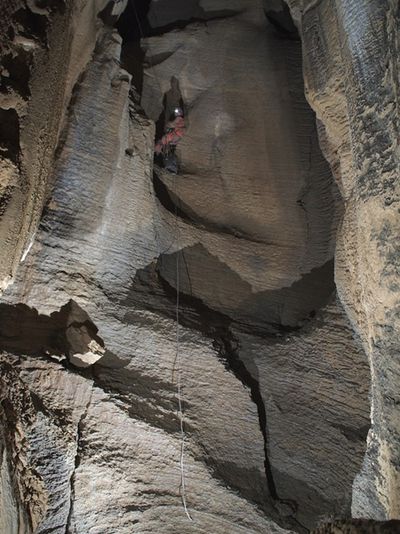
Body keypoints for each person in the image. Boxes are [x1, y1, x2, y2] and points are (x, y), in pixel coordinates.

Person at [154, 107, 185, 173]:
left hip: (173, 138)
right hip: (172, 138)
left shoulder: (179, 119)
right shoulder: (179, 120)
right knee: (167, 151)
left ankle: (171, 167)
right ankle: (170, 166)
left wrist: (169, 125)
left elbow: (170, 124)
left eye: (177, 112)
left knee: (166, 151)